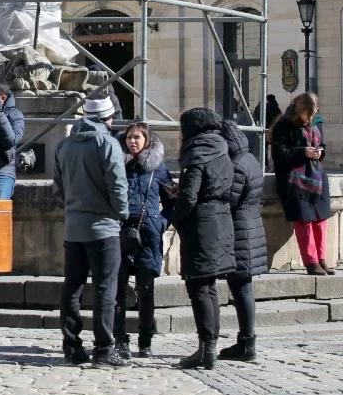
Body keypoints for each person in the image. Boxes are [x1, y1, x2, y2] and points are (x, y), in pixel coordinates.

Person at [55, 96, 128, 367]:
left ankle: (71, 346)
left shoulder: (64, 145)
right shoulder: (107, 143)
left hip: (73, 227)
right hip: (104, 227)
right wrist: (122, 214)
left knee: (72, 287)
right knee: (104, 288)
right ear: (108, 118)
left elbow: (58, 186)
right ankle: (104, 349)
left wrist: (73, 208)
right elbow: (118, 186)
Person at [172, 108, 234, 371]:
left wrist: (175, 217)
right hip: (221, 220)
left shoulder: (198, 153)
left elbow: (189, 197)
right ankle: (209, 347)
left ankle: (206, 348)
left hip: (202, 223)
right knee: (209, 288)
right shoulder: (221, 149)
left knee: (198, 287)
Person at [112, 122, 171, 360]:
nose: (132, 141)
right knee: (118, 291)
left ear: (147, 141)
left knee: (146, 290)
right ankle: (120, 339)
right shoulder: (118, 165)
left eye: (137, 137)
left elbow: (172, 200)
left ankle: (145, 340)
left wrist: (161, 222)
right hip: (122, 232)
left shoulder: (158, 168)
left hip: (148, 235)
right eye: (129, 137)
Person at [217, 120, 267, 362]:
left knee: (241, 288)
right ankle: (247, 341)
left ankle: (247, 343)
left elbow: (230, 200)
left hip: (240, 231)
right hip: (252, 226)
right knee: (243, 287)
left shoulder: (236, 165)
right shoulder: (251, 159)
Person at [270, 93, 332, 275]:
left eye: (313, 114)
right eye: (308, 114)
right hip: (295, 181)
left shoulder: (313, 124)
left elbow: (321, 145)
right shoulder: (283, 125)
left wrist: (321, 153)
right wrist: (302, 153)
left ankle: (321, 259)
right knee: (304, 221)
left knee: (321, 219)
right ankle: (311, 262)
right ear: (299, 110)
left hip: (316, 178)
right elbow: (279, 155)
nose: (310, 118)